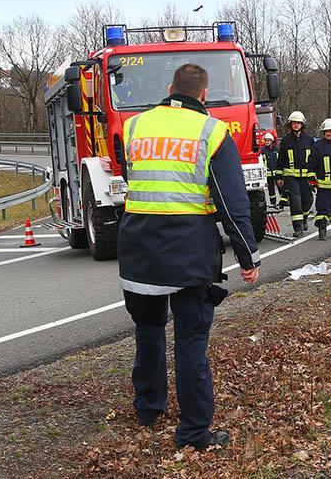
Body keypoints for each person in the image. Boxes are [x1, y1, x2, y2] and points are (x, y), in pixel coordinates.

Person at [117, 63, 260, 450]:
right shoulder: (213, 132)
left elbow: (137, 181)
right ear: (203, 94)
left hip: (138, 248)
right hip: (188, 252)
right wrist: (247, 257)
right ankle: (195, 431)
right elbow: (232, 203)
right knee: (191, 341)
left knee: (147, 331)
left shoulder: (134, 127)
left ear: (169, 89)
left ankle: (149, 408)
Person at [276, 111, 314, 237]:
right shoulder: (286, 141)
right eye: (294, 123)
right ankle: (298, 228)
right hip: (291, 177)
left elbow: (315, 158)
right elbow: (280, 159)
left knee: (308, 200)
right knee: (295, 201)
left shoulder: (309, 140)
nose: (296, 125)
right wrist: (279, 177)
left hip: (306, 177)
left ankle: (304, 218)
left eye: (298, 123)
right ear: (290, 124)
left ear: (302, 124)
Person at [260, 132, 281, 208]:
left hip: (277, 173)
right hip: (268, 174)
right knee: (271, 190)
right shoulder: (262, 151)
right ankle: (273, 203)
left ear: (272, 141)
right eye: (266, 140)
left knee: (280, 188)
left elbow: (280, 160)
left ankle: (283, 202)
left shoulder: (277, 149)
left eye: (268, 140)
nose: (267, 142)